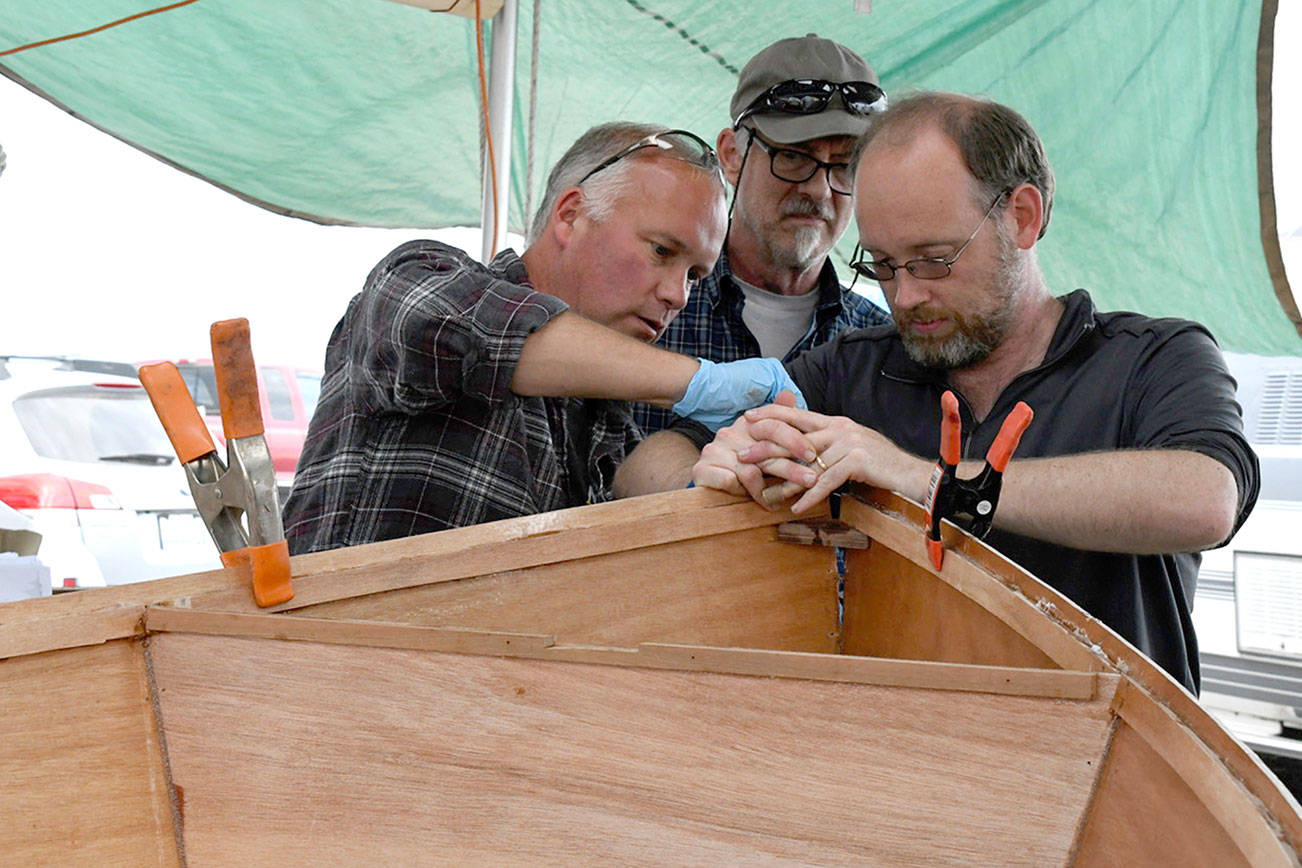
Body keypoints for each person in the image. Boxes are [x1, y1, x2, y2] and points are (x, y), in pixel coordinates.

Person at [680, 93, 1259, 694]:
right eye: (881, 265)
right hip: (916, 765)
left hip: (1109, 763)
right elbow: (659, 460)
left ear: (1023, 217)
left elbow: (1206, 499)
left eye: (934, 261)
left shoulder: (1151, 358)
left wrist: (932, 485)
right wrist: (718, 470)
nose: (903, 297)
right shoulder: (852, 371)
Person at [283, 123, 804, 555]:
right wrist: (700, 382)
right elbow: (455, 325)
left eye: (695, 275)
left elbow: (635, 487)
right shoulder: (419, 281)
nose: (677, 295)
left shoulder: (603, 416)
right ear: (571, 214)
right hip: (334, 671)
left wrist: (704, 490)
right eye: (663, 251)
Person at [629, 35, 892, 442]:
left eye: (844, 166)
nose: (820, 190)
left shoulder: (884, 349)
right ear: (731, 155)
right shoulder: (647, 310)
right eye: (794, 156)